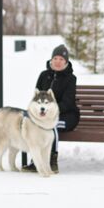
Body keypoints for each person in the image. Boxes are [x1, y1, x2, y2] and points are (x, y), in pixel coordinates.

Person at [23, 44, 80, 173]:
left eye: (61, 59)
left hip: (67, 116)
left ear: (66, 61)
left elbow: (68, 102)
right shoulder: (44, 75)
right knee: (32, 124)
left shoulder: (71, 79)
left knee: (51, 125)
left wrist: (52, 112)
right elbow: (37, 97)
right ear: (51, 60)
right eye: (55, 58)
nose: (58, 62)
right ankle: (36, 161)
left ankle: (51, 161)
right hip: (44, 114)